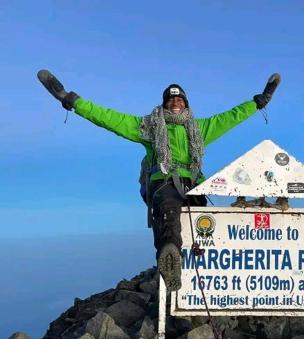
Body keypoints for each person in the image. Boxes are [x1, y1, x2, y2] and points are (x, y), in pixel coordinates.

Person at [37, 69, 279, 291]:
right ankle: (169, 255)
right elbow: (110, 118)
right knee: (169, 208)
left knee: (202, 226)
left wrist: (258, 102)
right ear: (164, 104)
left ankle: (196, 275)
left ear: (186, 104)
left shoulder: (200, 128)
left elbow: (230, 117)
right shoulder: (149, 127)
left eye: (180, 99)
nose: (175, 102)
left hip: (193, 184)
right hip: (163, 182)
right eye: (170, 99)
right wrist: (74, 101)